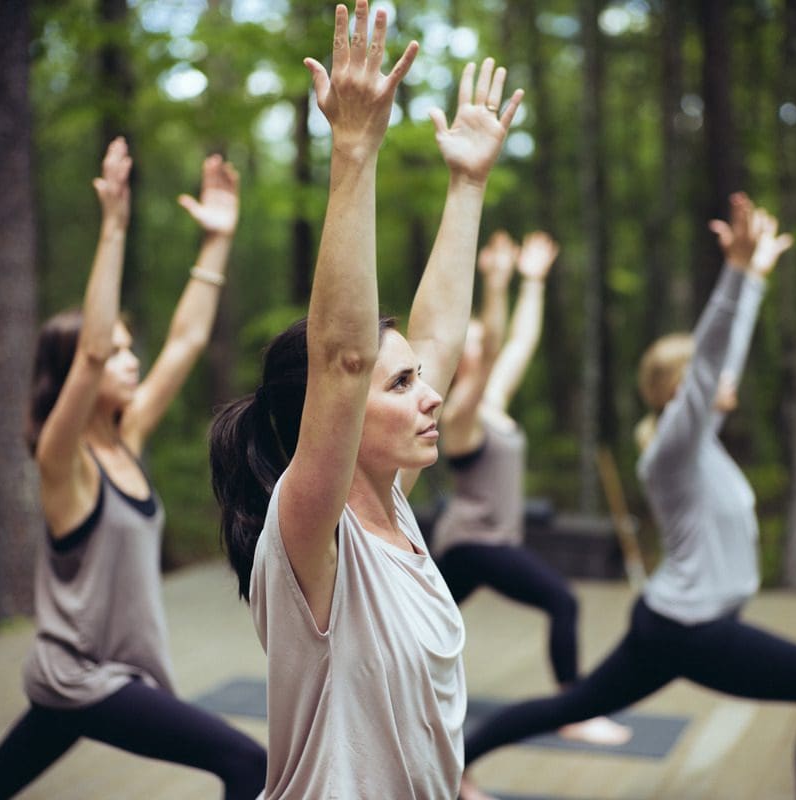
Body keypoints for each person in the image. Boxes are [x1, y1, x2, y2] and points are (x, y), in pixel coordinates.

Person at [206, 3, 522, 797]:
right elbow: (345, 361)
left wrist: (468, 184)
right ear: (332, 416)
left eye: (420, 381)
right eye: (403, 385)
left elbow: (438, 334)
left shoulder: (395, 510)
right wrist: (354, 148)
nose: (431, 398)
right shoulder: (310, 531)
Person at [0, 139, 266, 800]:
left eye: (127, 347)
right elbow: (90, 355)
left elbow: (186, 340)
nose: (126, 358)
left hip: (110, 673)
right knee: (245, 763)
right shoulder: (64, 462)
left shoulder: (130, 435)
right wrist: (113, 228)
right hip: (82, 677)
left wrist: (216, 243)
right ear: (71, 373)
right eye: (113, 349)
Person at [460, 193, 796, 800]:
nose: (727, 381)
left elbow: (723, 359)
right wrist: (737, 276)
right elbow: (712, 362)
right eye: (705, 376)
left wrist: (754, 281)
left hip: (672, 623)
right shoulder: (673, 451)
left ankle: (454, 759)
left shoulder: (700, 447)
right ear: (678, 389)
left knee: (577, 702)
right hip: (691, 631)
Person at [432, 229, 630, 746]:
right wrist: (495, 286)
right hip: (473, 543)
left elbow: (520, 342)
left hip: (482, 545)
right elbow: (499, 342)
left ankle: (373, 682)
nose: (483, 343)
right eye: (473, 340)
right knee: (562, 601)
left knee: (419, 626)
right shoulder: (459, 412)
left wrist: (534, 282)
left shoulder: (492, 398)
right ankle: (575, 708)